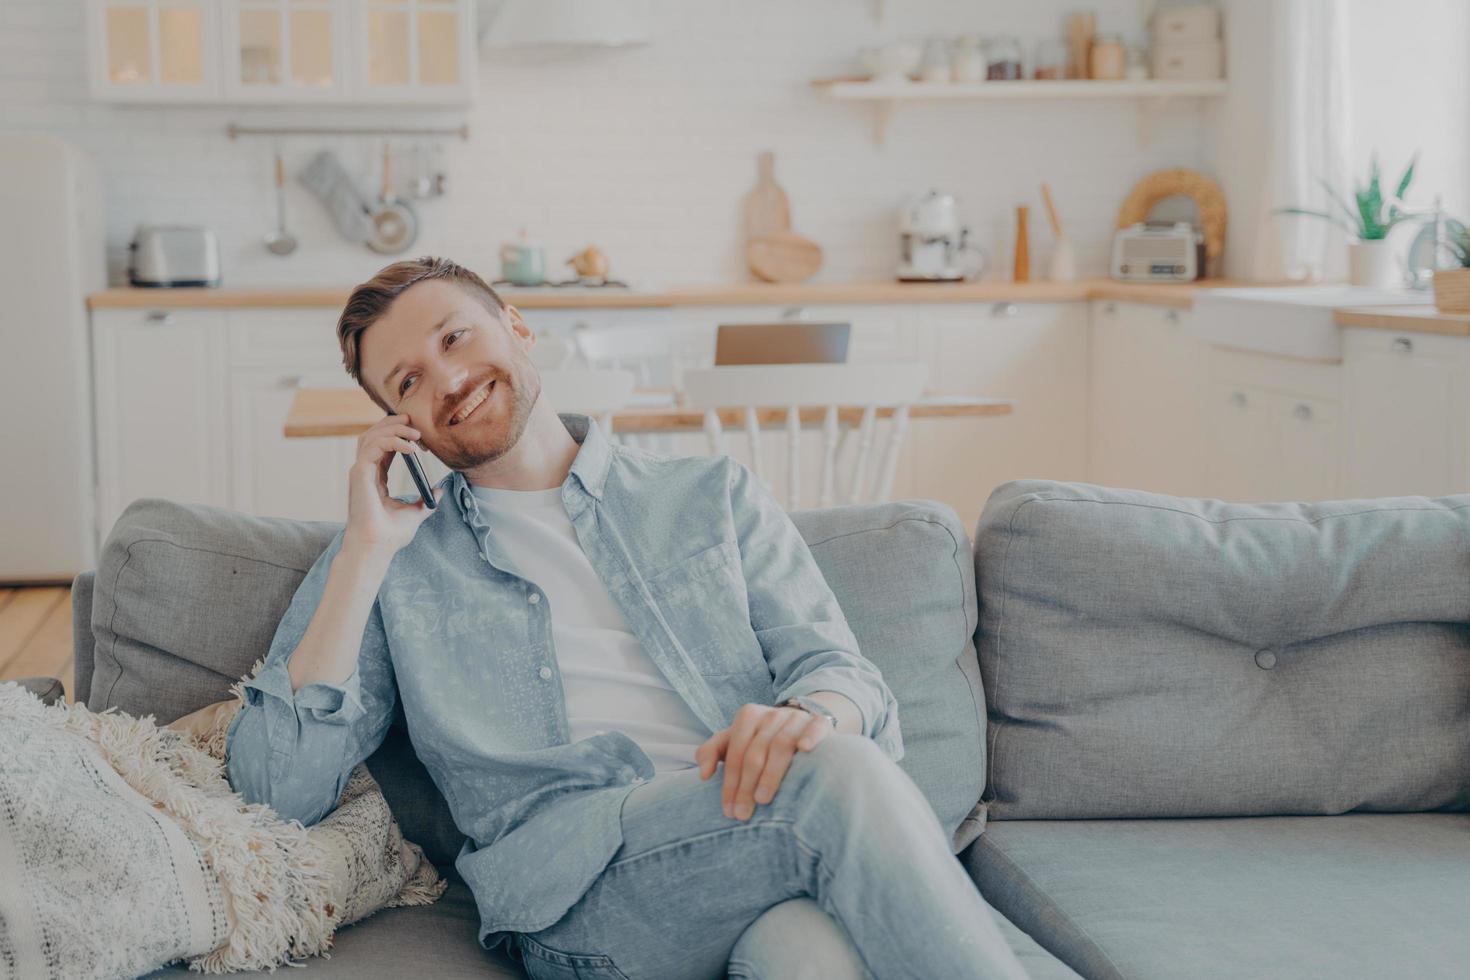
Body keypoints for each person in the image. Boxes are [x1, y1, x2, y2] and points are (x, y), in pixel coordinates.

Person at [226, 256, 1029, 980]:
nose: (446, 379)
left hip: (753, 840)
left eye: (456, 337)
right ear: (400, 427)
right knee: (840, 774)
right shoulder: (390, 560)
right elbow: (276, 791)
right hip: (580, 894)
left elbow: (842, 675)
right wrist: (364, 554)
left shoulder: (710, 494)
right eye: (406, 382)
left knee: (813, 954)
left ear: (517, 325)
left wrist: (808, 718)